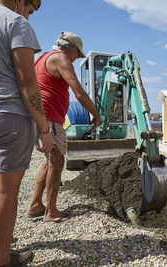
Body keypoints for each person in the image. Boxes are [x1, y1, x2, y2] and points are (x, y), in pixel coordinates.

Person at [0, 0, 54, 266]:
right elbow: (27, 81)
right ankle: (2, 260)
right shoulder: (15, 22)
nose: (28, 15)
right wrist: (44, 128)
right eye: (30, 8)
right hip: (10, 116)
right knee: (6, 192)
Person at [27, 32, 102, 222]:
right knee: (57, 162)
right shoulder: (61, 58)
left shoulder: (42, 58)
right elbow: (78, 92)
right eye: (78, 54)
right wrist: (96, 113)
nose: (77, 58)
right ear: (71, 47)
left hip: (43, 117)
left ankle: (36, 204)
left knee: (49, 160)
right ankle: (51, 211)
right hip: (50, 117)